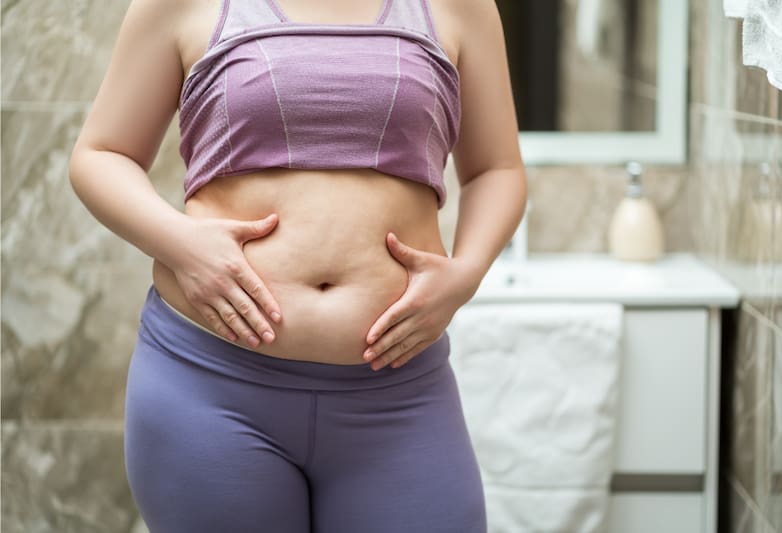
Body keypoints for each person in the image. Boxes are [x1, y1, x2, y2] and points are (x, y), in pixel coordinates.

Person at [69, 0, 526, 531]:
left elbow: (497, 168)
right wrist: (181, 243)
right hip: (212, 389)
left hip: (397, 395)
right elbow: (100, 153)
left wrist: (467, 272)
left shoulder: (459, 6)